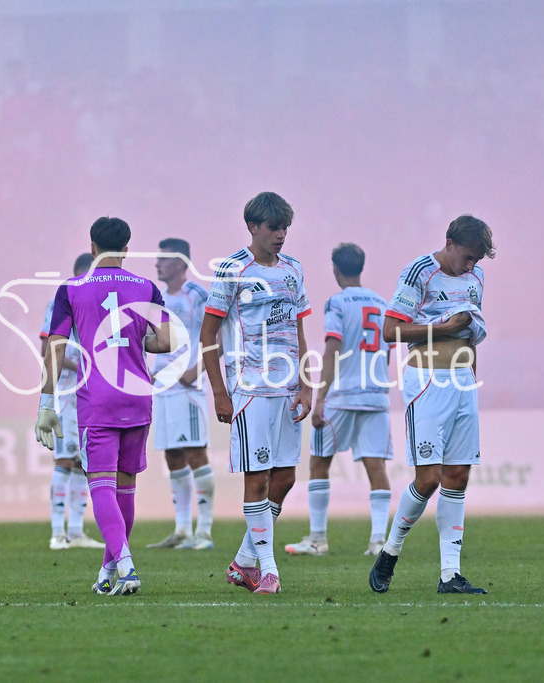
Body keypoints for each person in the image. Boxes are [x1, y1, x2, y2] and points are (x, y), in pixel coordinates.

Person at [36, 216, 173, 597]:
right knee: (126, 486)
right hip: (137, 393)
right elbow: (166, 341)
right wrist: (132, 341)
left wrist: (47, 401)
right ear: (127, 248)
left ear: (92, 247)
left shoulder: (73, 289)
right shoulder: (146, 287)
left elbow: (55, 345)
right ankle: (108, 570)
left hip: (97, 398)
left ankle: (126, 567)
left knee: (100, 483)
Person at [368, 214, 495, 595]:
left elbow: (471, 333)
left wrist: (472, 376)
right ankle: (390, 551)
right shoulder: (419, 271)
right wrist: (442, 329)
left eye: (477, 260)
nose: (471, 266)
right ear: (450, 244)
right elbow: (389, 330)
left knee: (458, 476)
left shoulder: (476, 278)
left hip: (463, 382)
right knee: (428, 479)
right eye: (467, 257)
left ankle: (449, 575)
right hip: (426, 380)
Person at [200, 191, 312, 595]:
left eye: (285, 227)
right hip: (249, 389)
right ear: (253, 226)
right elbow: (208, 334)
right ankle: (269, 571)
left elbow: (299, 331)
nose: (281, 234)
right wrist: (219, 392)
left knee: (285, 479)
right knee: (258, 480)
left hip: (287, 391)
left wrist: (306, 383)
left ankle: (244, 563)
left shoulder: (294, 270)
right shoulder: (232, 269)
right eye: (274, 227)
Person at [285, 243, 394, 557]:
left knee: (319, 463)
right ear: (361, 267)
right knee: (376, 466)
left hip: (343, 395)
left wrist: (320, 399)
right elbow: (386, 351)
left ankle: (318, 539)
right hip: (376, 396)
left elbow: (332, 348)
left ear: (335, 269)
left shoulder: (336, 302)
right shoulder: (382, 303)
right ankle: (378, 542)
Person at [146, 238, 215, 551]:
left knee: (196, 453)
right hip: (163, 388)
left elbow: (219, 336)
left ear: (180, 263)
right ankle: (183, 529)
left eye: (163, 259)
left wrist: (197, 369)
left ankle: (206, 531)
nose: (157, 263)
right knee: (172, 455)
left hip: (188, 389)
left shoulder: (197, 294)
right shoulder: (157, 298)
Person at [39, 252, 106, 551]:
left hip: (92, 394)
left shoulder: (99, 300)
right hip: (67, 392)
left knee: (82, 462)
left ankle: (76, 531)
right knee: (64, 460)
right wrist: (81, 367)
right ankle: (57, 533)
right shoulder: (62, 300)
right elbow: (47, 348)